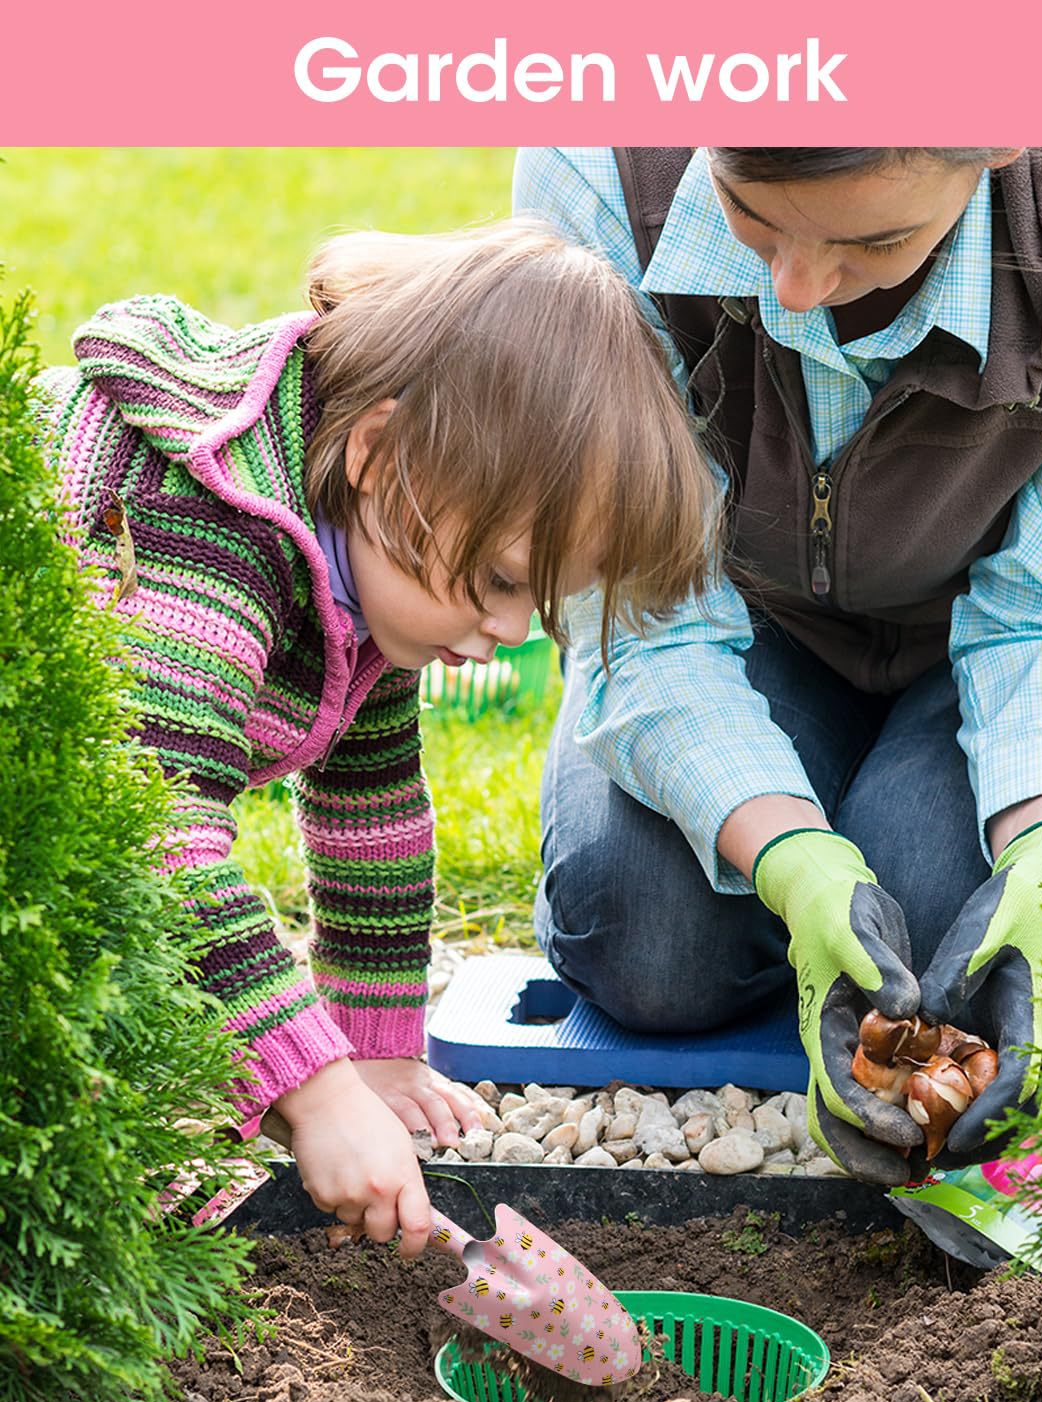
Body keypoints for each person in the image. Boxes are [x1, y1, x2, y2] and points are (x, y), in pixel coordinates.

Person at [515, 147, 1042, 1184]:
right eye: (750, 212)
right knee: (644, 934)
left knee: (940, 941)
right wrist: (793, 858)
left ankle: (887, 809)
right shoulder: (602, 162)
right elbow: (649, 613)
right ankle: (814, 827)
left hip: (1032, 621)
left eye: (872, 238)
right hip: (748, 610)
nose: (791, 288)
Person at [35, 221, 718, 1250]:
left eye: (535, 605)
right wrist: (314, 1091)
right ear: (379, 452)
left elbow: (371, 809)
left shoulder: (372, 559)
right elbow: (156, 826)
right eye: (497, 582)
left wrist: (376, 1050)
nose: (503, 632)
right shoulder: (207, 525)